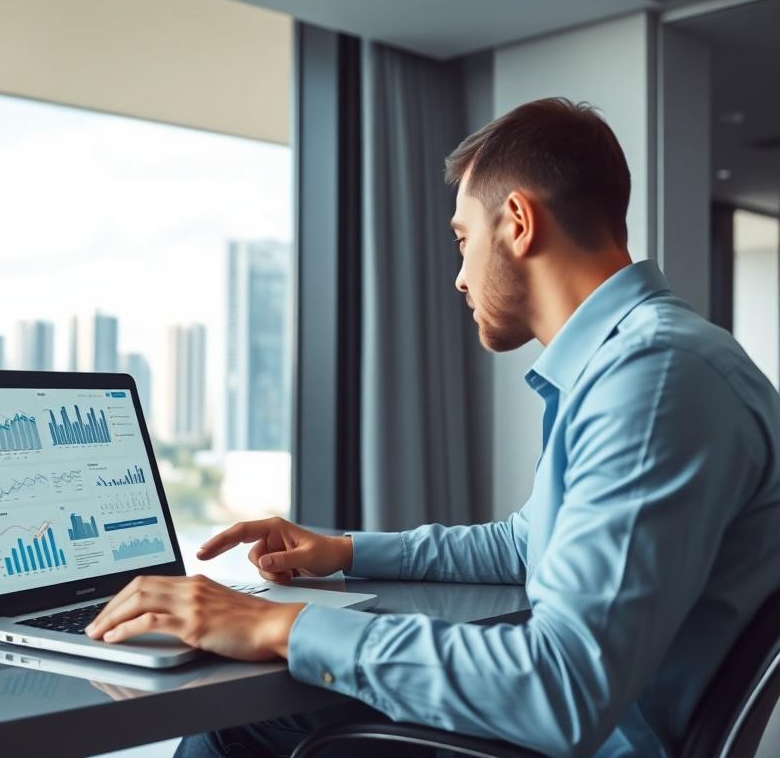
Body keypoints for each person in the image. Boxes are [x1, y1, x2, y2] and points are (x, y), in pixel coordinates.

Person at [85, 98, 780, 757]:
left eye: (461, 239)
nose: (459, 277)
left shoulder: (651, 378)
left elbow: (564, 690)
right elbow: (525, 543)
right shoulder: (640, 362)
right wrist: (345, 550)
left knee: (249, 724)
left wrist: (275, 623)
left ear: (517, 221)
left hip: (594, 742)